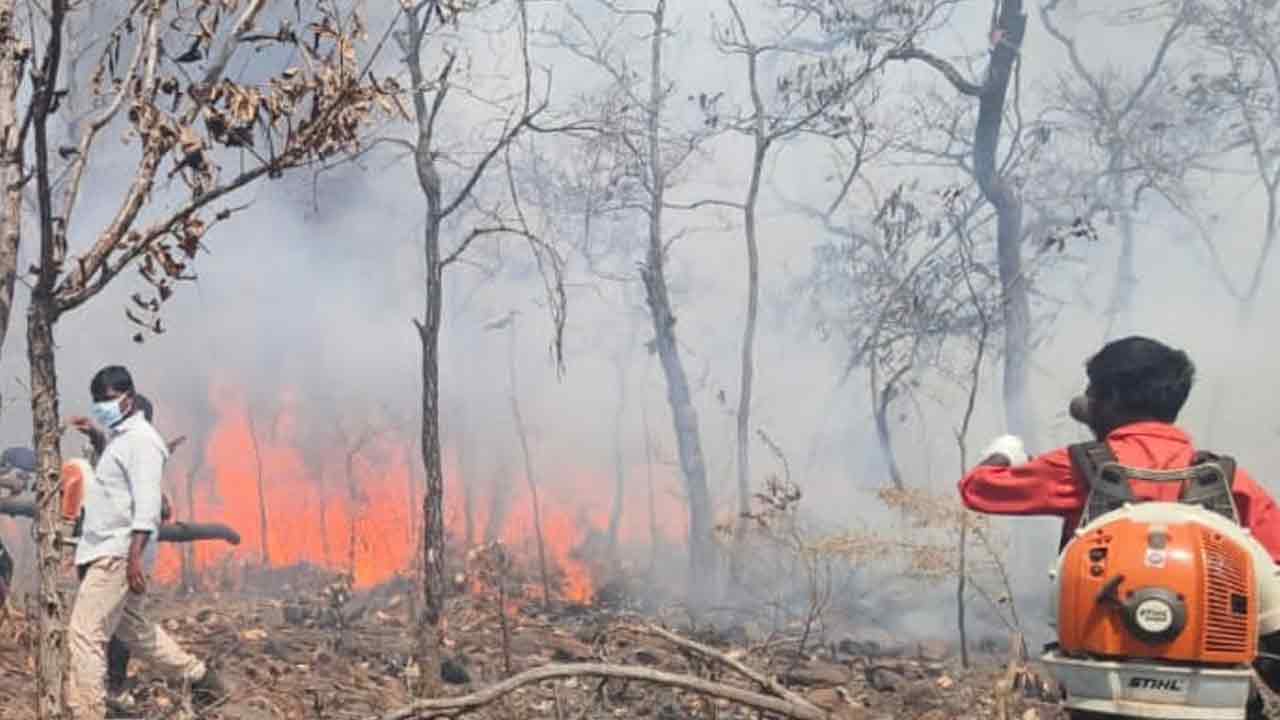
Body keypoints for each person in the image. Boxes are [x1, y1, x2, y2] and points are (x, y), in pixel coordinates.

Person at [959, 335, 1280, 699]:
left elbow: (978, 489)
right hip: (1207, 685)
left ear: (1111, 398)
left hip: (1103, 681)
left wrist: (1005, 453)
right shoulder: (1224, 478)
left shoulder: (1078, 467)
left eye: (1093, 391)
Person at [65, 366, 224, 719]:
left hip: (118, 553)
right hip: (110, 550)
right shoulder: (124, 438)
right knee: (133, 628)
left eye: (106, 399)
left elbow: (149, 504)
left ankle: (88, 712)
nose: (101, 406)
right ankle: (199, 676)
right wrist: (95, 435)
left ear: (129, 398)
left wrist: (134, 557)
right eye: (97, 401)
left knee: (84, 633)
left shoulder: (142, 441)